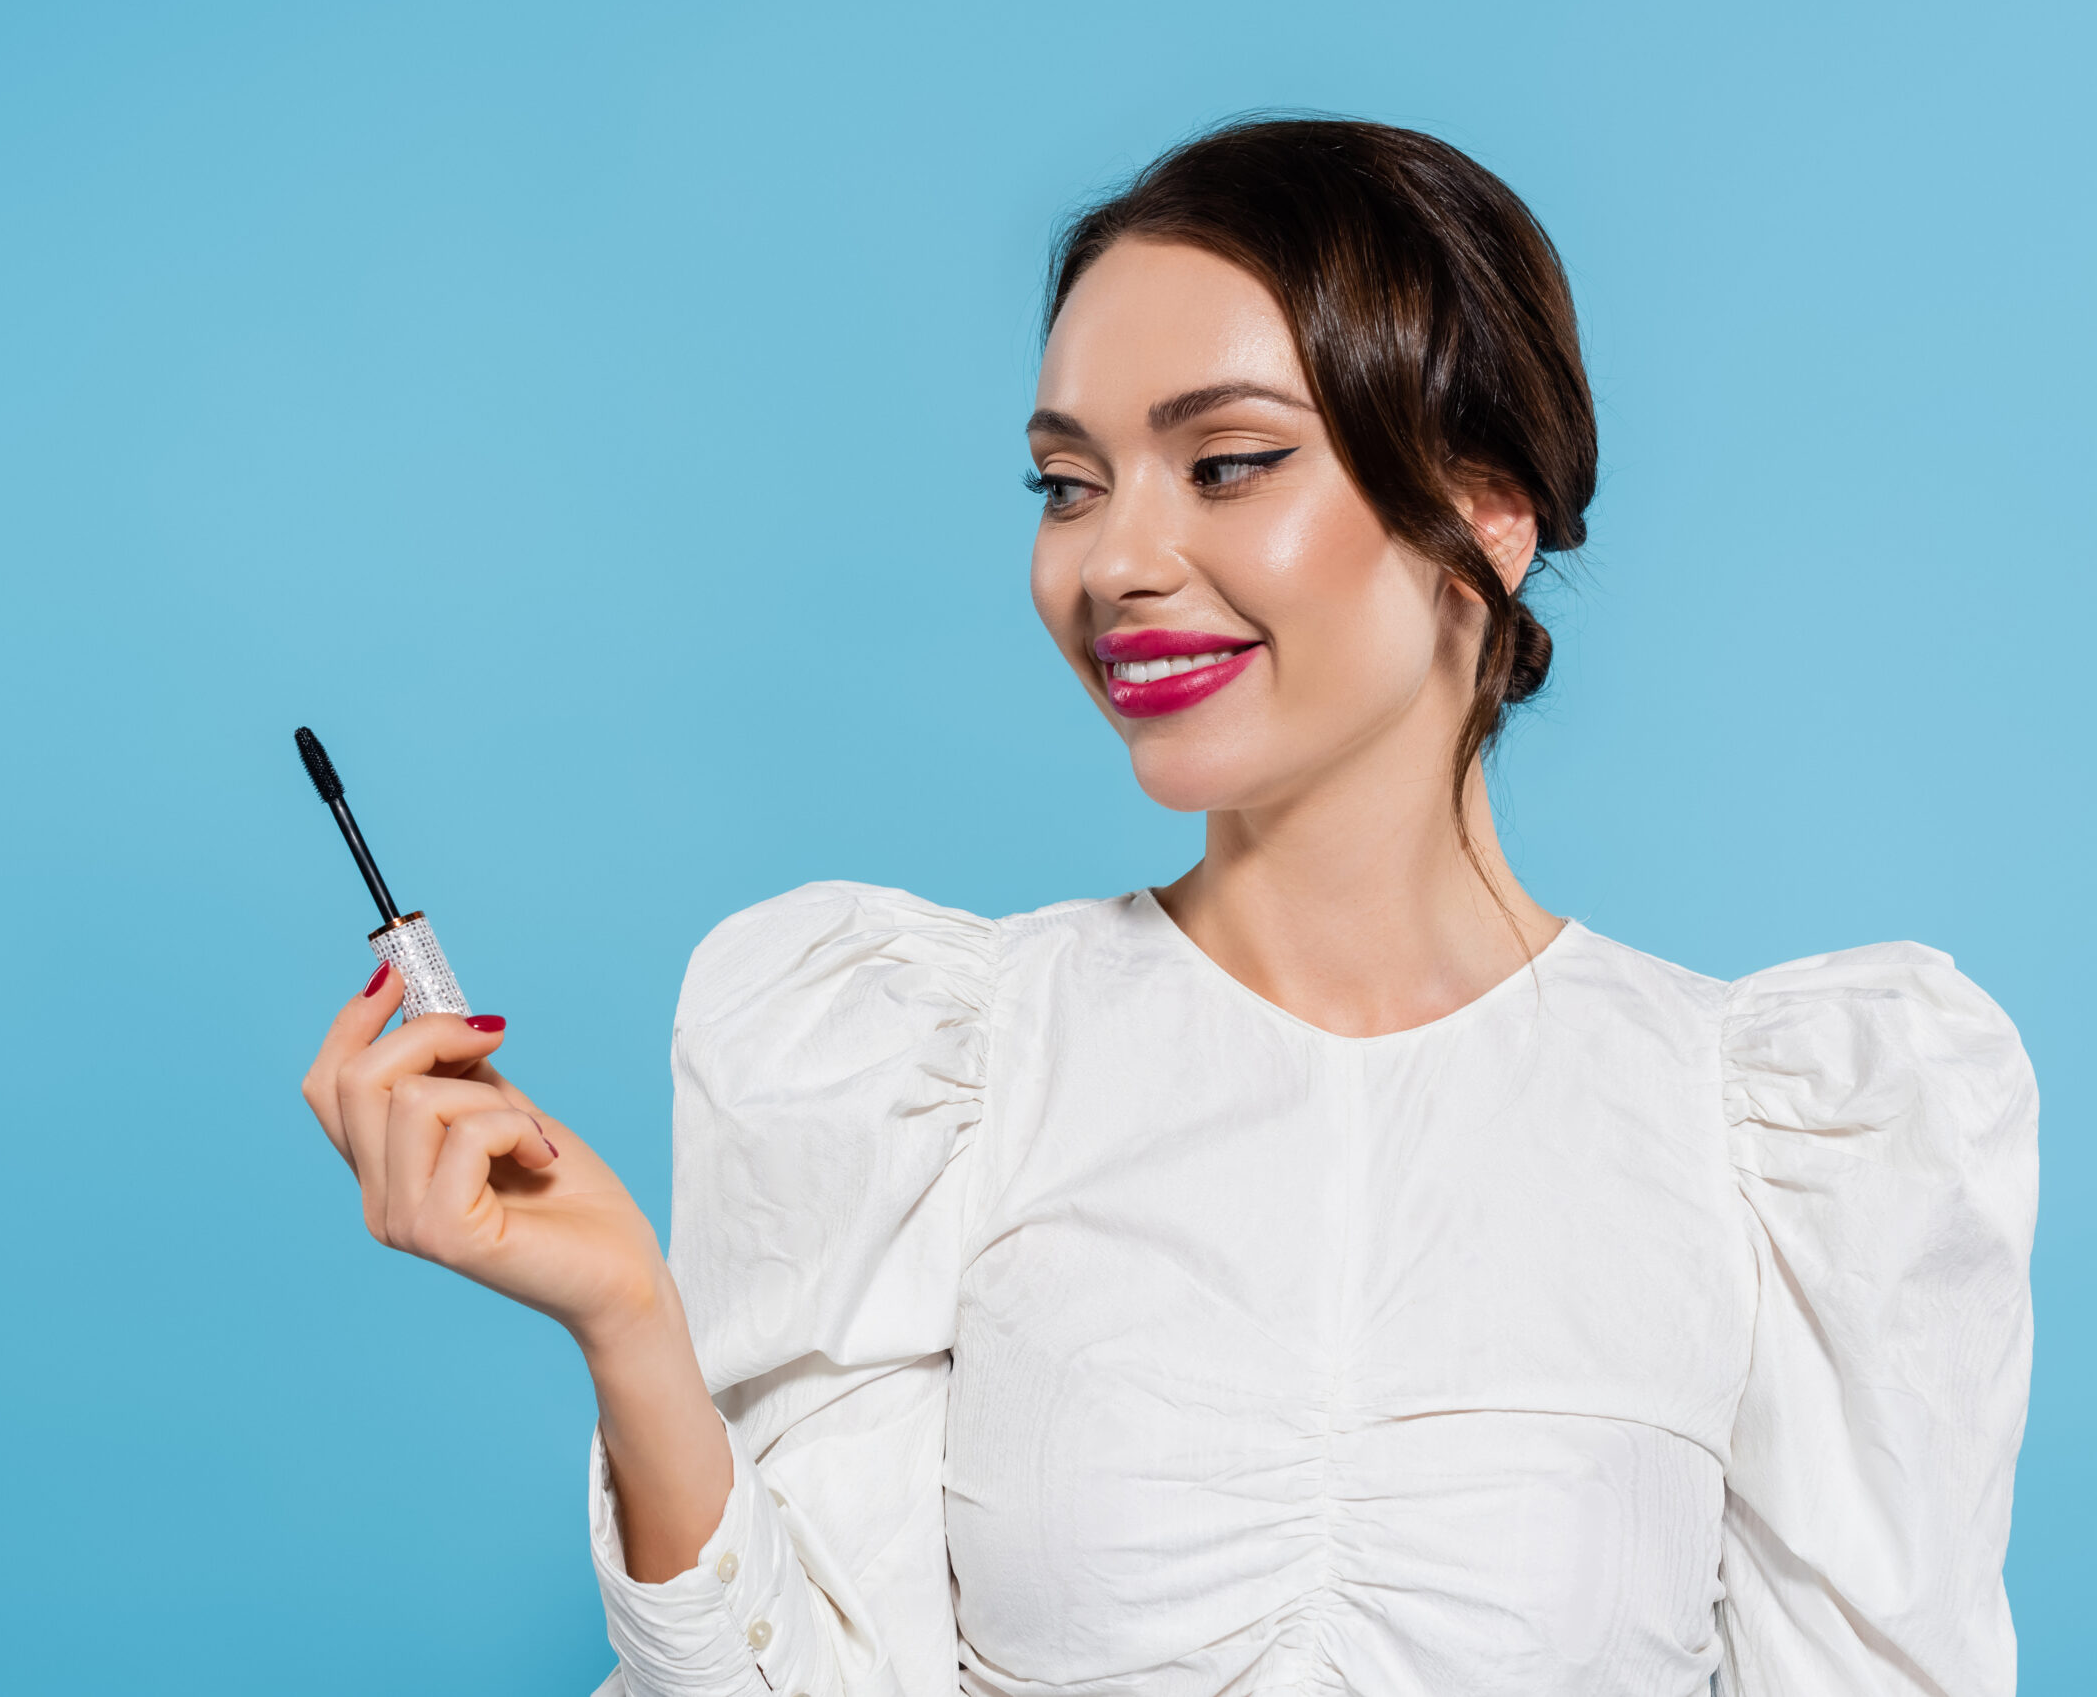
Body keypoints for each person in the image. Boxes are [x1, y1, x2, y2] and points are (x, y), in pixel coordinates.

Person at [297, 117, 2037, 1697]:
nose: (1112, 562)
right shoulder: (932, 1064)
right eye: (1068, 480)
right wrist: (631, 1326)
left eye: (1225, 464)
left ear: (1487, 516)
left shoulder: (1781, 1138)